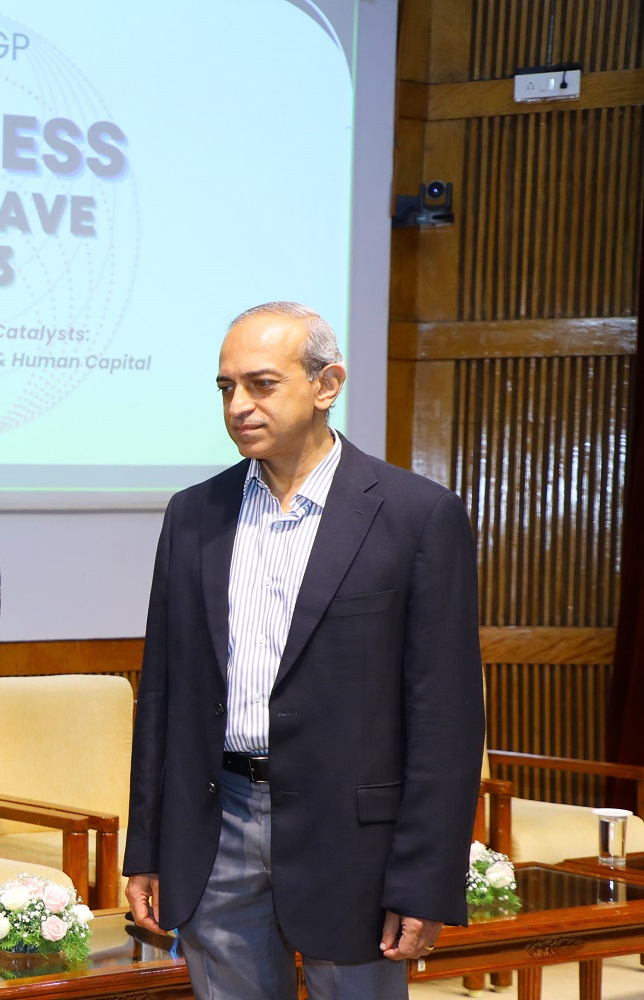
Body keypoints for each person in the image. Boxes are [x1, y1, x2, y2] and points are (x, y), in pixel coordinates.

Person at [122, 302, 485, 999]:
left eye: (261, 384)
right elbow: (164, 697)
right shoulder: (193, 514)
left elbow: (444, 717)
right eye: (226, 388)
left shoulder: (415, 516)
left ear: (328, 384)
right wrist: (150, 850)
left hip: (355, 843)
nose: (238, 406)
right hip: (215, 824)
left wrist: (425, 877)